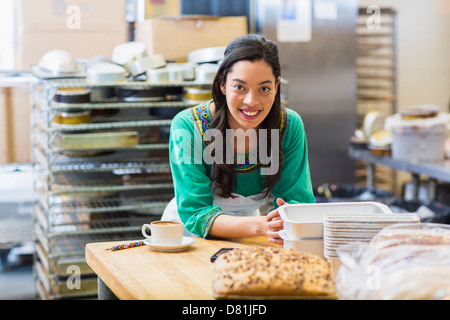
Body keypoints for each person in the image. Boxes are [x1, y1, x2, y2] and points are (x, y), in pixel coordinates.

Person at [162, 34, 315, 244]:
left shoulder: (288, 127)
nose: (251, 101)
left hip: (253, 233)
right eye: (239, 87)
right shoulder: (188, 127)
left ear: (277, 86)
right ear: (223, 84)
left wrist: (284, 219)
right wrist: (262, 226)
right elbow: (195, 213)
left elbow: (297, 200)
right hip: (188, 238)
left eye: (264, 88)